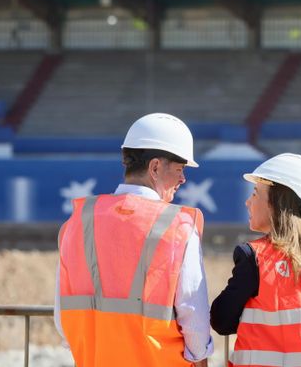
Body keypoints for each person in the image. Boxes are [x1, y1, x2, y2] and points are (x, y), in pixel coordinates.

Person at [55, 113, 213, 367]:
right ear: (155, 167)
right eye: (179, 169)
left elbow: (62, 317)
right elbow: (193, 316)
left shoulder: (77, 222)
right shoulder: (178, 226)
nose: (183, 179)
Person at [211, 153, 301, 367]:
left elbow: (221, 320)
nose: (247, 202)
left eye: (255, 193)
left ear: (276, 202)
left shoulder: (254, 258)